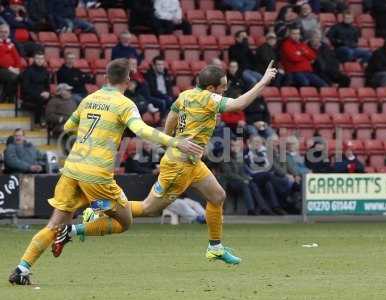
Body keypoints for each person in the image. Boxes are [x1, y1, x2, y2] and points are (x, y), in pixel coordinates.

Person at [8, 58, 203, 285]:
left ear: (105, 78)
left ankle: (22, 269)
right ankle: (76, 229)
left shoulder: (88, 99)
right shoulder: (124, 104)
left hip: (72, 169)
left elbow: (69, 126)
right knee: (125, 221)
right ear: (128, 80)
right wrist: (175, 142)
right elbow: (142, 130)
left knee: (54, 224)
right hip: (96, 174)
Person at [128, 62, 278, 264]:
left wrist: (168, 139)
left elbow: (172, 115)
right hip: (179, 165)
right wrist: (264, 80)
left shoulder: (186, 95)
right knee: (148, 209)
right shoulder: (208, 98)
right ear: (210, 88)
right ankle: (102, 207)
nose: (224, 90)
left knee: (217, 196)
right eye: (222, 87)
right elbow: (239, 104)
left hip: (191, 161)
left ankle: (215, 248)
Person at [218, 139, 267, 215]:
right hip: (229, 181)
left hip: (239, 181)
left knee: (252, 183)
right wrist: (243, 179)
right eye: (234, 146)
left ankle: (263, 208)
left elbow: (242, 172)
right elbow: (229, 174)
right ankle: (251, 209)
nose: (236, 148)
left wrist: (247, 178)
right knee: (245, 185)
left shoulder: (239, 157)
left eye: (237, 146)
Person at [21, 51, 50, 126]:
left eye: (41, 58)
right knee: (40, 99)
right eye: (37, 58)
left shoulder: (45, 71)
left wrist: (47, 92)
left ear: (44, 60)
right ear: (34, 59)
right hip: (30, 94)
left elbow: (47, 86)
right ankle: (37, 122)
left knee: (54, 99)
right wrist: (39, 93)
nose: (40, 60)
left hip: (42, 93)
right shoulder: (28, 71)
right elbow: (25, 87)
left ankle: (51, 123)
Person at [0, 22, 20, 102]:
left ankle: (8, 97)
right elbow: (0, 58)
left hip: (11, 70)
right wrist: (10, 68)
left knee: (19, 76)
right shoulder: (9, 44)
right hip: (1, 68)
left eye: (5, 32)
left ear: (8, 33)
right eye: (1, 32)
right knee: (13, 77)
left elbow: (17, 58)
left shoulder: (10, 43)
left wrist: (17, 68)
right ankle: (5, 96)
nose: (3, 34)